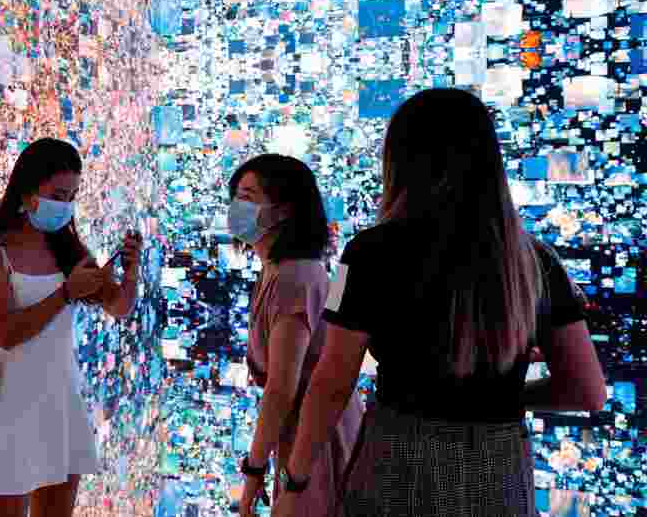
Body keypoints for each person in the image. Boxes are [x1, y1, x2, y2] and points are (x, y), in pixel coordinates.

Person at [271, 88, 607, 517]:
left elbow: (332, 381)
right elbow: (588, 390)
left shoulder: (366, 254)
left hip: (397, 462)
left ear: (400, 162)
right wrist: (499, 398)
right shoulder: (536, 262)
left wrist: (295, 482)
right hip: (500, 471)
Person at [0, 137, 144, 517]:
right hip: (7, 408)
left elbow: (119, 307)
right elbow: (6, 334)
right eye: (58, 194)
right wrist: (65, 294)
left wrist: (131, 273)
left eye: (72, 195)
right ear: (27, 190)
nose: (65, 206)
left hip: (60, 402)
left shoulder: (69, 249)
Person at [227, 155, 363, 517]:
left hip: (314, 439)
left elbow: (281, 389)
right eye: (236, 196)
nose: (235, 208)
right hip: (305, 431)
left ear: (283, 210)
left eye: (248, 196)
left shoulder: (293, 278)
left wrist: (253, 472)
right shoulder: (277, 270)